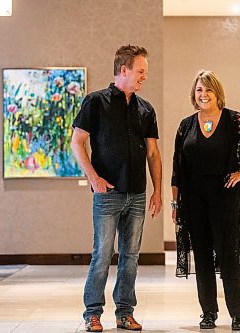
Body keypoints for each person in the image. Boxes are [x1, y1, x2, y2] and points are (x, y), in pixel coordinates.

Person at [171, 70, 240, 330]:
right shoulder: (186, 125)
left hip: (224, 197)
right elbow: (177, 169)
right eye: (199, 90)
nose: (203, 95)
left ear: (217, 93)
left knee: (228, 255)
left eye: (208, 90)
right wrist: (176, 204)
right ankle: (208, 313)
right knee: (203, 257)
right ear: (194, 95)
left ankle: (238, 315)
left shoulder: (235, 120)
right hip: (193, 199)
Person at [71, 45, 162, 332]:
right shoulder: (95, 102)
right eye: (140, 71)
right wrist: (94, 178)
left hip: (137, 195)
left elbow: (153, 154)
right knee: (102, 254)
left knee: (131, 257)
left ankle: (125, 312)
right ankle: (92, 313)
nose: (144, 77)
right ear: (124, 70)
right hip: (107, 194)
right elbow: (77, 142)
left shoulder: (146, 109)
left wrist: (157, 191)